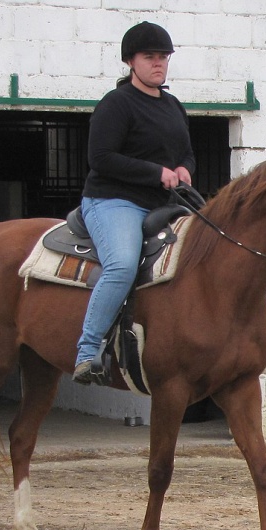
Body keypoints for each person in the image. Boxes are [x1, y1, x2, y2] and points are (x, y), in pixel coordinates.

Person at [73, 21, 196, 385]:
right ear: (131, 61)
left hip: (165, 204)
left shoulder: (173, 106)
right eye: (150, 57)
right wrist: (156, 172)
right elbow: (101, 158)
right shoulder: (116, 104)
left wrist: (183, 169)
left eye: (163, 57)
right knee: (123, 265)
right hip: (114, 201)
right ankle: (87, 350)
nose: (158, 63)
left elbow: (187, 153)